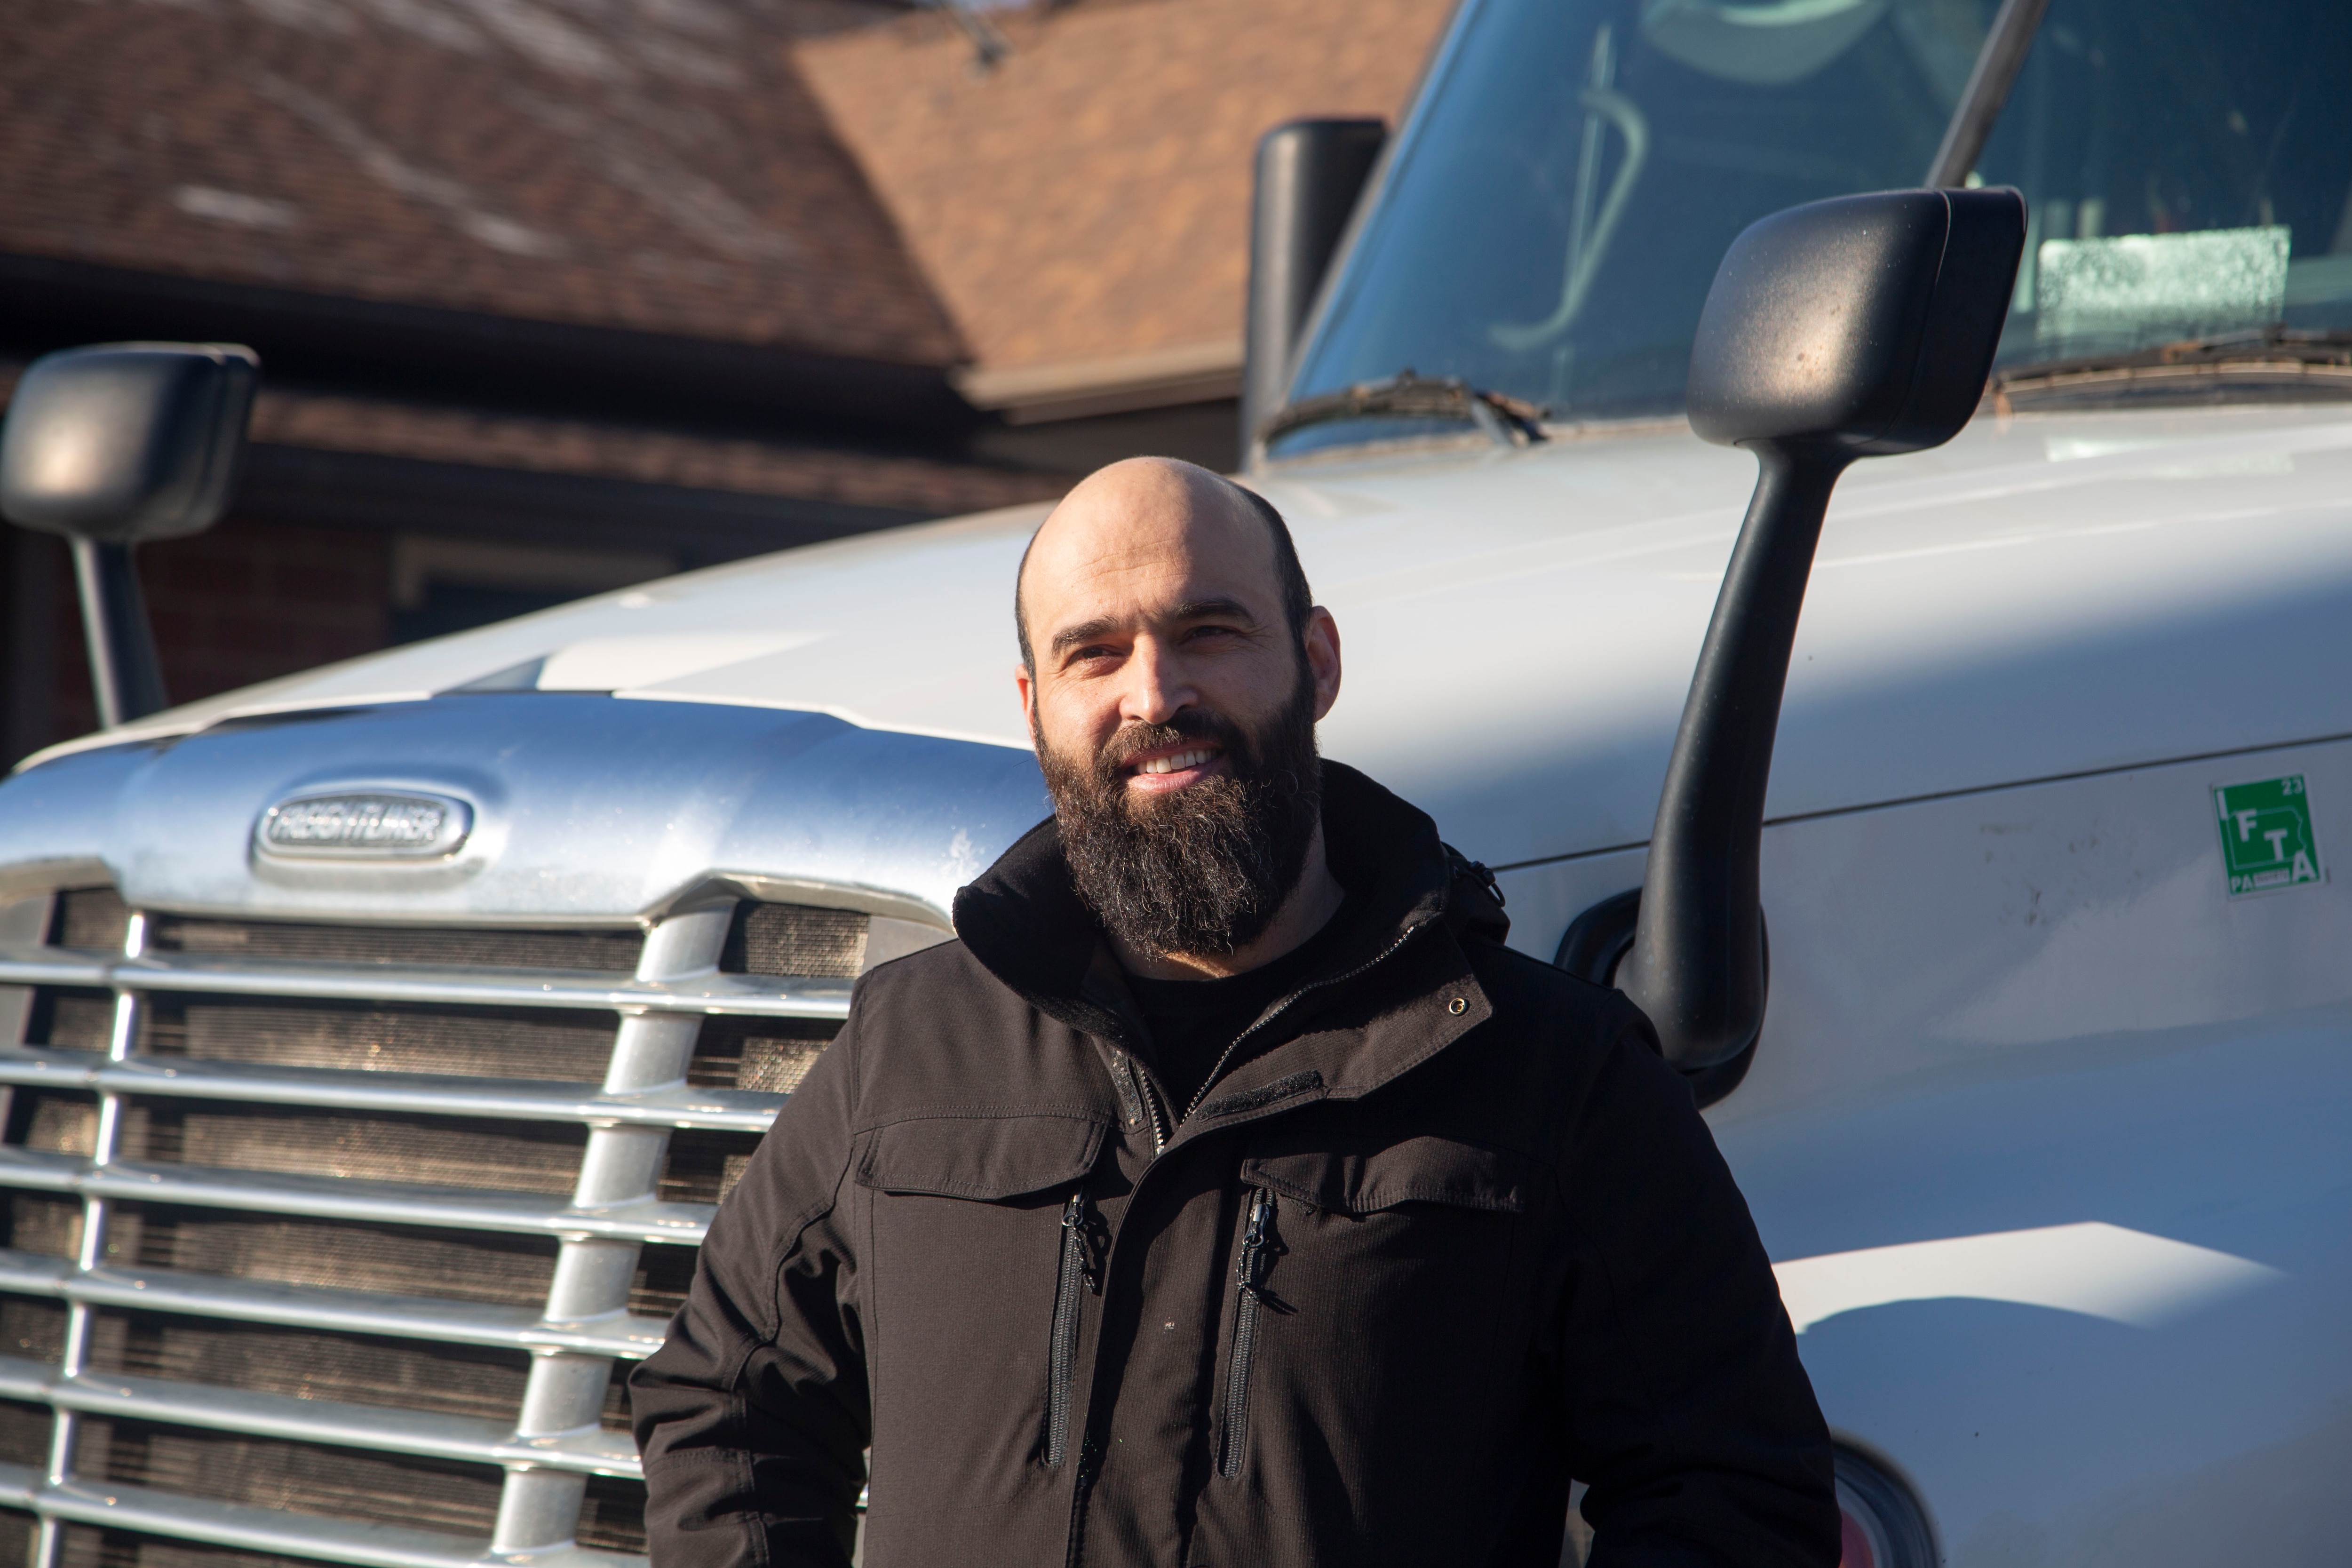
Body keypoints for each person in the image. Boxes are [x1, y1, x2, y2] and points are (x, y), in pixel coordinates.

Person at [632, 456, 1838, 1568]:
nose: (1154, 692)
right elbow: (726, 1403)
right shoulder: (908, 1045)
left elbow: (1733, 1485)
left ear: (1316, 660)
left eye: (1208, 630)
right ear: (1034, 701)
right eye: (1093, 654)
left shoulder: (1549, 1072)